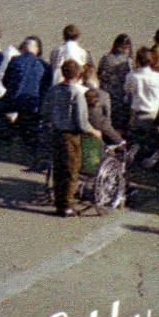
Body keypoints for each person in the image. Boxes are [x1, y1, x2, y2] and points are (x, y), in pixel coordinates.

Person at [39, 59, 101, 217]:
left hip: (55, 133)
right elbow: (81, 122)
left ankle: (59, 201)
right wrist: (94, 132)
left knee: (58, 169)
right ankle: (66, 205)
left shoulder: (54, 90)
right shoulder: (76, 94)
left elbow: (45, 111)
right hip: (70, 136)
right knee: (71, 171)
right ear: (79, 74)